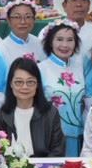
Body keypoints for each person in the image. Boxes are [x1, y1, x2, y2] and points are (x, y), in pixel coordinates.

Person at [0, 0, 43, 120]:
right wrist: (20, 104)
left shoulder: (40, 45)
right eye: (17, 17)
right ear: (8, 20)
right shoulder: (0, 51)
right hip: (12, 112)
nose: (23, 21)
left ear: (34, 20)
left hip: (39, 110)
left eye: (28, 17)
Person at [36, 22, 88, 152]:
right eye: (59, 39)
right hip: (52, 135)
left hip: (81, 134)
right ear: (50, 42)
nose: (65, 45)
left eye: (70, 40)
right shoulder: (40, 69)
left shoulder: (81, 67)